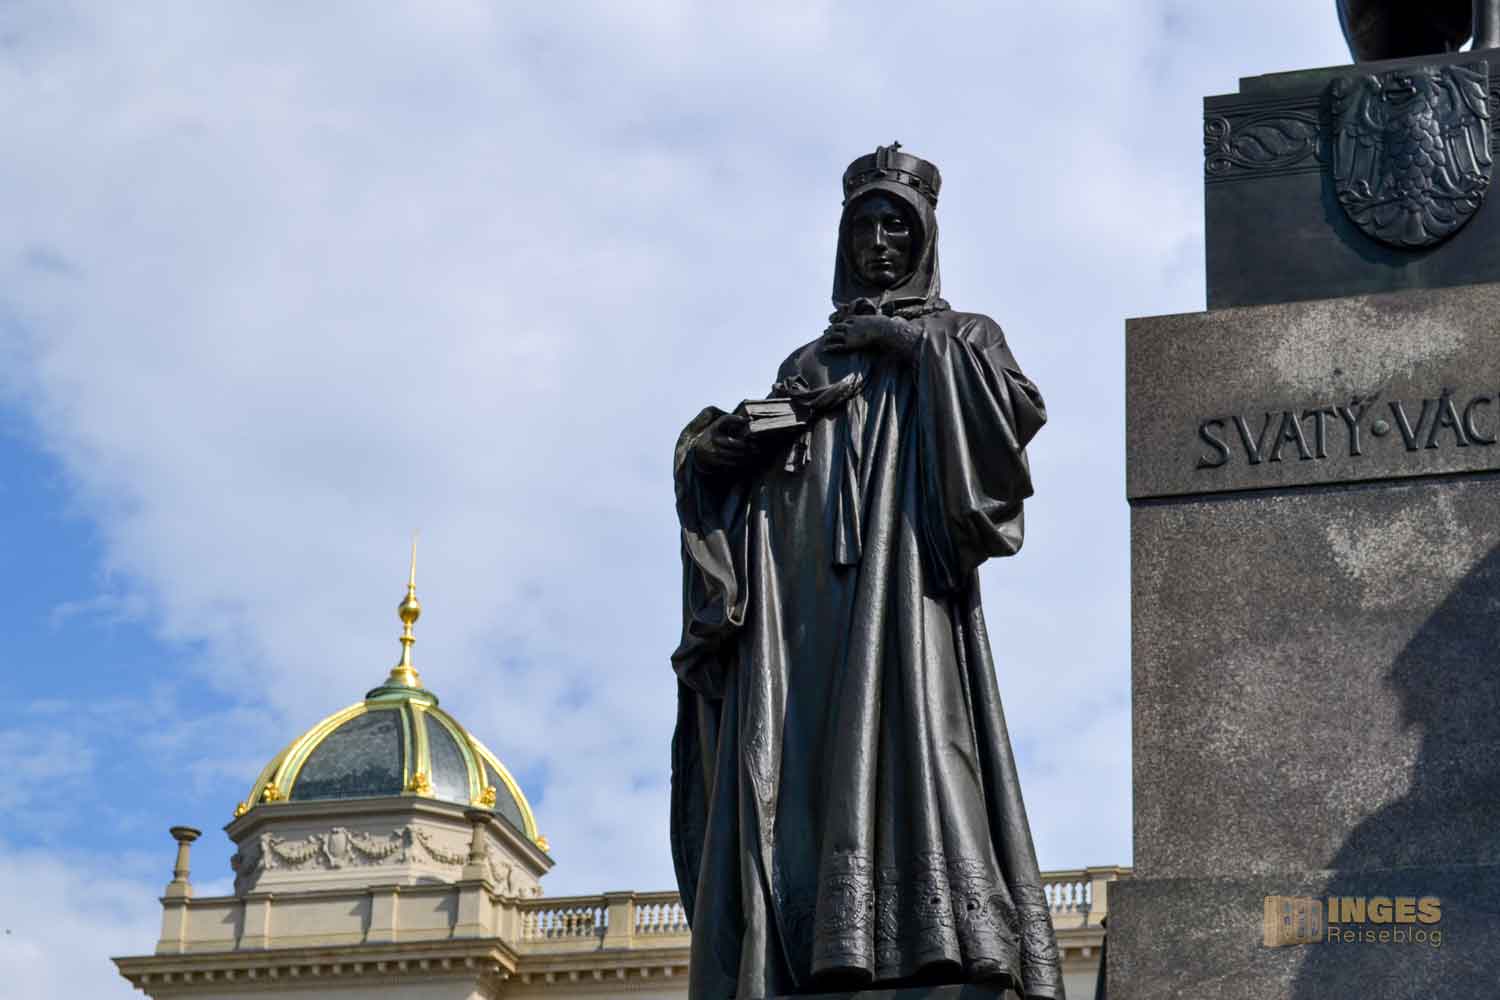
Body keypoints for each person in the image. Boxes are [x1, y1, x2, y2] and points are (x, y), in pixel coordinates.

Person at [669, 143, 1063, 999]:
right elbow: (742, 455)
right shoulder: (809, 362)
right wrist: (733, 439)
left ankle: (939, 936)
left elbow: (1015, 416)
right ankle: (814, 942)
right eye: (863, 226)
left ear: (923, 236)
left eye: (896, 224)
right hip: (805, 593)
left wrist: (908, 344)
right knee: (807, 756)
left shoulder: (965, 335)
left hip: (909, 575)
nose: (878, 241)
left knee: (924, 736)